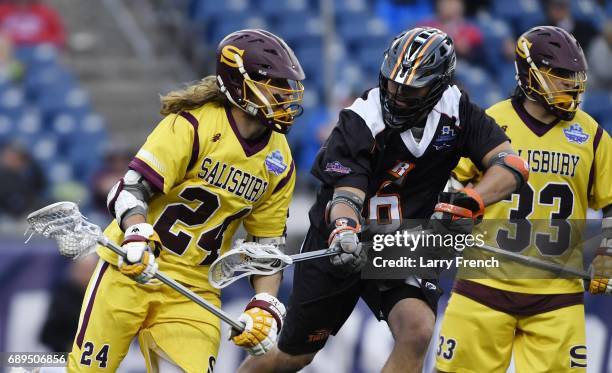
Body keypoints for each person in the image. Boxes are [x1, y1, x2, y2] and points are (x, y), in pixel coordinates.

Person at [238, 27, 528, 373]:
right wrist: (344, 230)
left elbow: (511, 165)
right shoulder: (362, 118)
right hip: (344, 241)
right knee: (294, 355)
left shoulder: (459, 111)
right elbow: (345, 196)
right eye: (391, 84)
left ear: (437, 87)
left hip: (404, 243)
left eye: (409, 90)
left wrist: (471, 200)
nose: (396, 95)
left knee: (417, 330)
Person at [65, 29, 305, 372]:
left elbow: (266, 247)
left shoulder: (279, 159)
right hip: (131, 267)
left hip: (194, 288)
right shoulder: (194, 125)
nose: (285, 94)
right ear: (240, 82)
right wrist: (136, 235)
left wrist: (264, 303)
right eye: (274, 83)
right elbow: (130, 189)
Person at [435, 26, 612, 373]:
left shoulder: (592, 135)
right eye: (560, 76)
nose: (571, 85)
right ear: (530, 74)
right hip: (483, 286)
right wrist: (452, 208)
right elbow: (450, 184)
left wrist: (607, 255)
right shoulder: (490, 122)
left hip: (557, 295)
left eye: (574, 77)